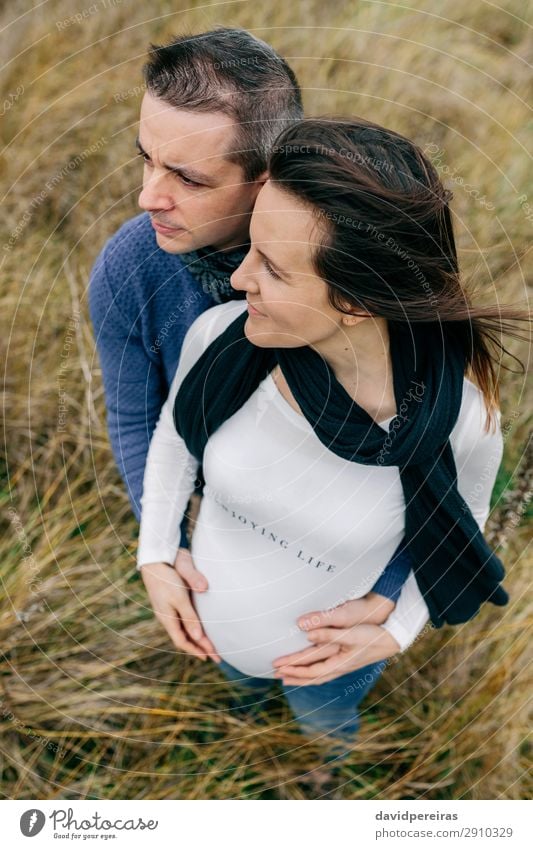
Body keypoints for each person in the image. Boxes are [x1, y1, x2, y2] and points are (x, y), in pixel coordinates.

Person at [137, 116, 528, 744]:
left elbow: (466, 519)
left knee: (325, 727)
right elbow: (177, 439)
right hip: (213, 632)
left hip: (331, 668)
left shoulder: (460, 419)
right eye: (250, 249)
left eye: (274, 268)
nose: (240, 281)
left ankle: (324, 774)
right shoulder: (222, 342)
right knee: (237, 701)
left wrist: (397, 630)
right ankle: (241, 711)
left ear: (357, 300)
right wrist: (154, 552)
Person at [89, 28, 413, 671]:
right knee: (242, 668)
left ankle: (325, 756)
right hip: (224, 534)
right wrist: (162, 548)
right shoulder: (131, 266)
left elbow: (434, 452)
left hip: (344, 547)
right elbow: (137, 418)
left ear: (264, 181)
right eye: (145, 158)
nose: (148, 196)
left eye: (186, 177)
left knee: (330, 694)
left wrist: (394, 595)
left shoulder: (359, 262)